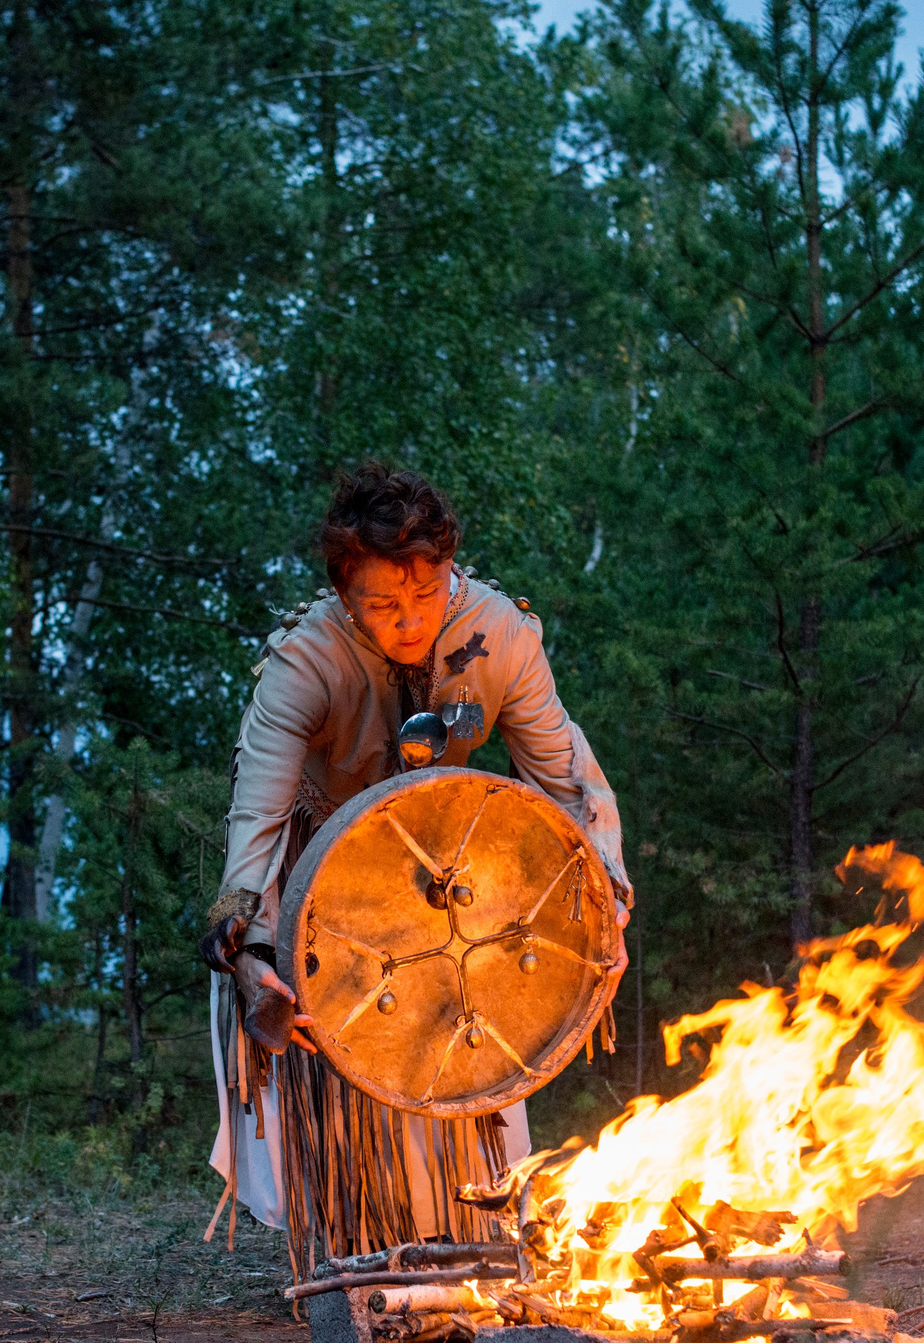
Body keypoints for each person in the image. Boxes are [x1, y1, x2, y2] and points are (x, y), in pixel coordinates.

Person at [202, 463, 631, 1274]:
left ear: (449, 568)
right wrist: (253, 952)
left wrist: (606, 890)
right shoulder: (304, 663)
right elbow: (254, 821)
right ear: (341, 587)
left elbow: (568, 779)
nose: (408, 621)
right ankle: (351, 1258)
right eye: (380, 604)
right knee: (333, 1066)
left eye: (426, 596)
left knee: (462, 1041)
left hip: (450, 874)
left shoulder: (501, 636)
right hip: (318, 877)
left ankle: (467, 1238)